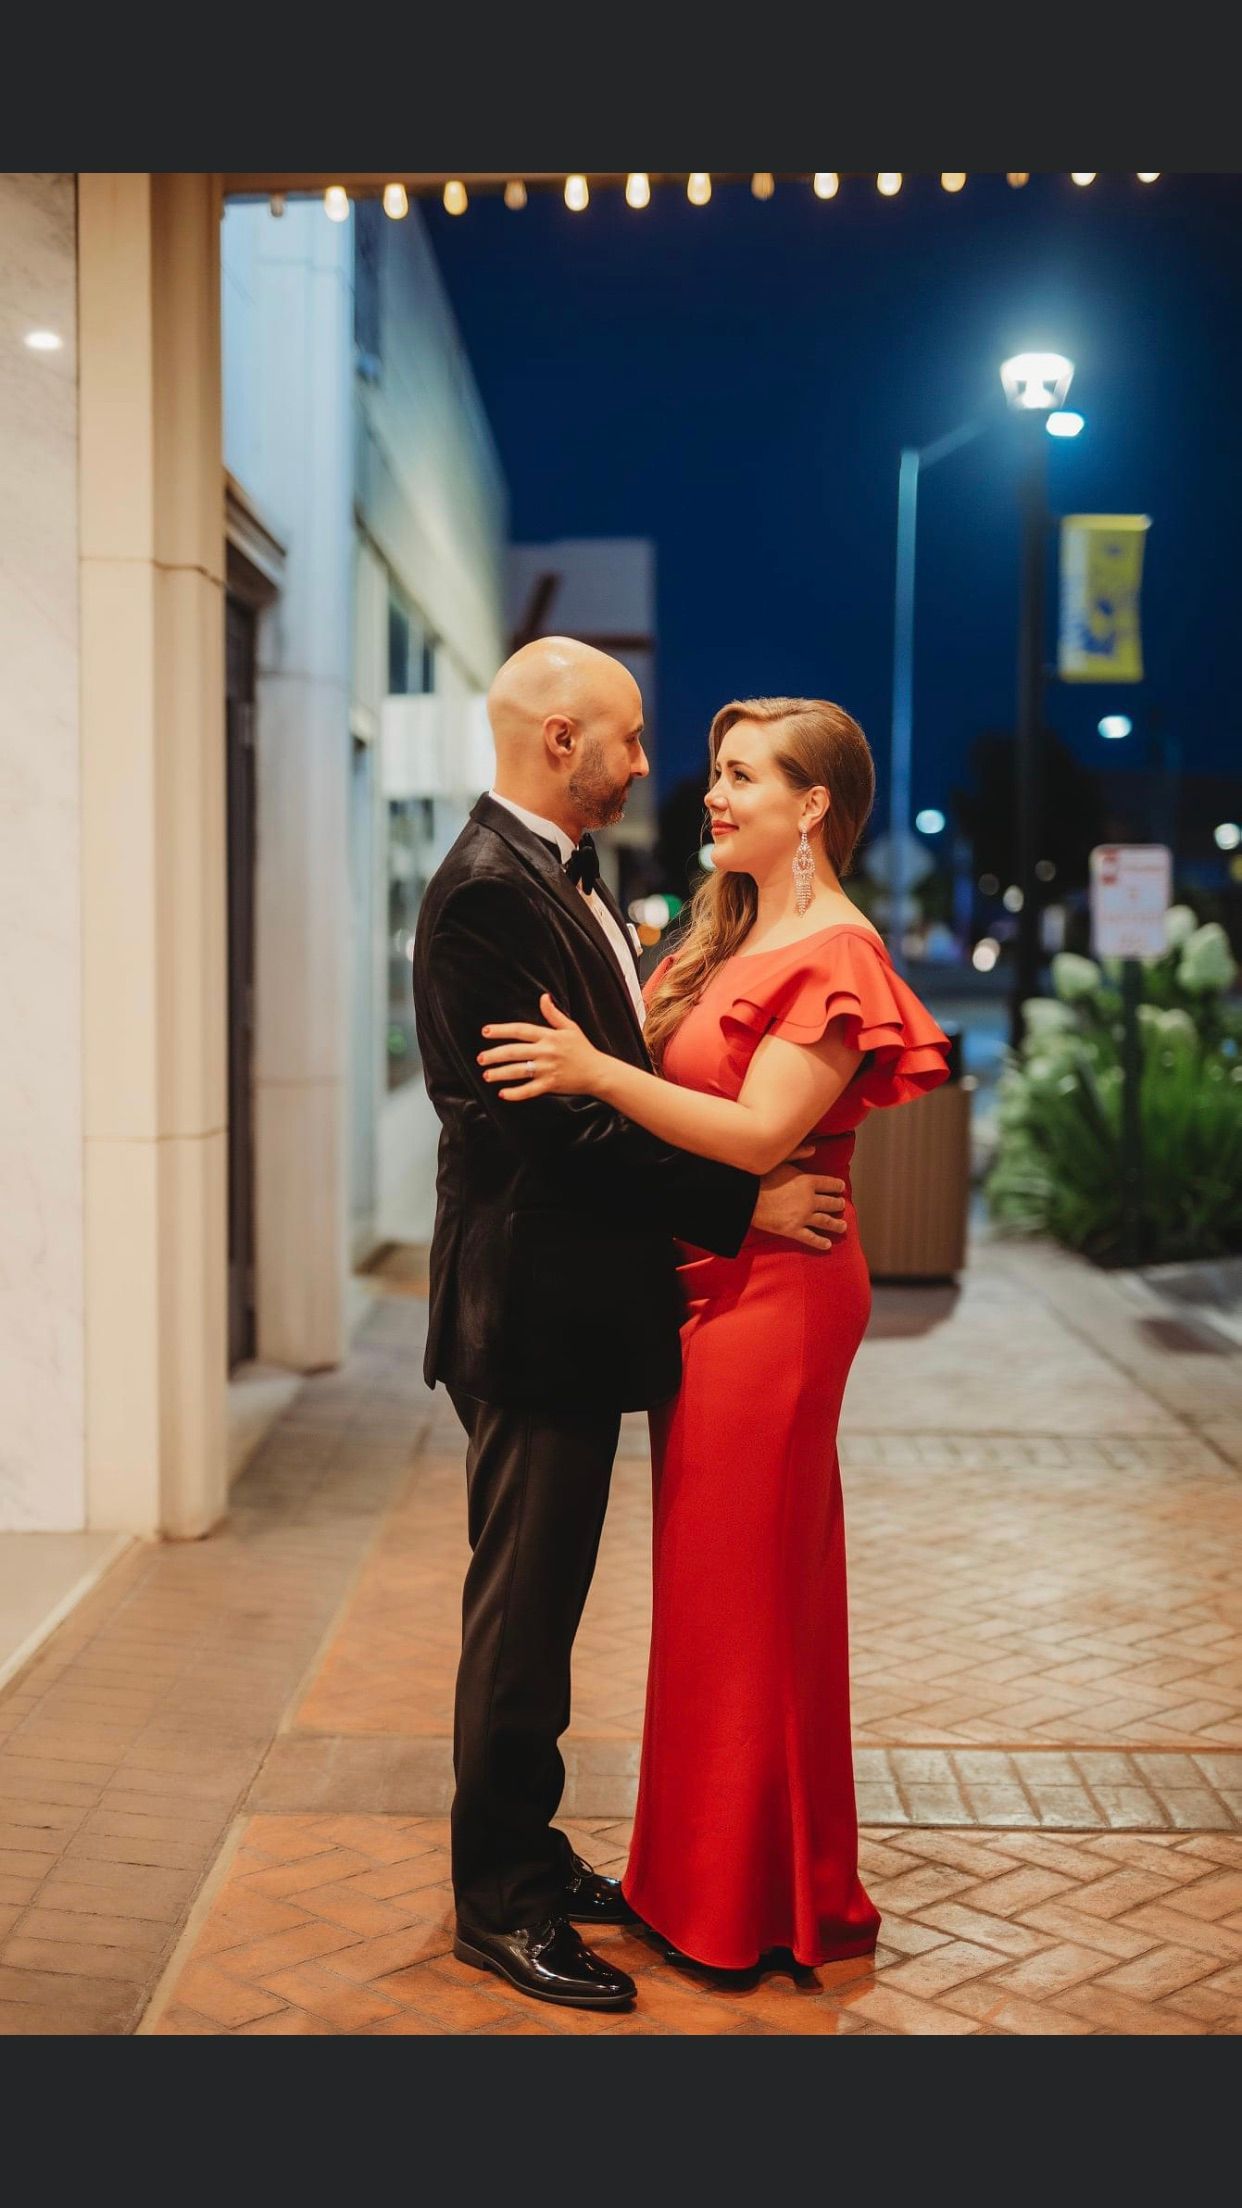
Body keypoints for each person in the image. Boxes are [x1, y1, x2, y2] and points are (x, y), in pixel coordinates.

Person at [477, 694, 951, 1973]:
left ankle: (744, 1905)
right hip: (716, 1283)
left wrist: (591, 1070)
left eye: (744, 776)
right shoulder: (735, 928)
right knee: (717, 1591)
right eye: (715, 772)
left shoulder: (838, 953)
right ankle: (710, 1874)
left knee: (738, 1594)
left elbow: (753, 1139)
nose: (714, 794)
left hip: (779, 1301)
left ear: (814, 807)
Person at [412, 644, 853, 2011]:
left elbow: (611, 1087)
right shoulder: (488, 896)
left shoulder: (554, 875)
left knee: (542, 1618)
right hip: (528, 1318)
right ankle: (498, 1901)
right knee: (521, 1623)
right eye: (633, 738)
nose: (647, 763)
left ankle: (531, 1855)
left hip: (576, 1312)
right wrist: (745, 1202)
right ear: (561, 739)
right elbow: (557, 1129)